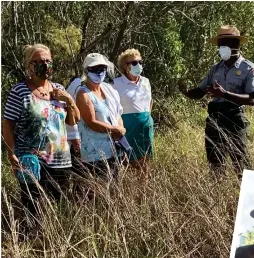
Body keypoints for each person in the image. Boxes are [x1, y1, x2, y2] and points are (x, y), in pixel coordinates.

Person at [2, 44, 80, 217]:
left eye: (48, 61)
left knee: (59, 208)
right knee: (33, 208)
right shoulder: (19, 91)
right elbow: (7, 123)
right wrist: (11, 153)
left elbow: (74, 120)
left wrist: (68, 100)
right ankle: (32, 240)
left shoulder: (58, 89)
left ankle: (54, 242)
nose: (44, 65)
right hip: (31, 160)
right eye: (39, 61)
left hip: (60, 160)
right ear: (29, 65)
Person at [179, 25, 254, 179]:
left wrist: (225, 94)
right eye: (220, 45)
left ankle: (248, 200)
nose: (221, 48)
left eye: (224, 44)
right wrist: (186, 92)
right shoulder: (215, 69)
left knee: (240, 163)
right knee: (215, 161)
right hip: (214, 119)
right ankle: (217, 197)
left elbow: (252, 98)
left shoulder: (248, 69)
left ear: (236, 45)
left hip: (234, 120)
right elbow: (201, 92)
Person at [74, 53, 125, 196]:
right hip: (94, 153)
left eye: (102, 68)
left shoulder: (108, 90)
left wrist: (120, 129)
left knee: (113, 190)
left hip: (114, 149)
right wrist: (115, 130)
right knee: (94, 193)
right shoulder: (83, 94)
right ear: (86, 71)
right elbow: (91, 122)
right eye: (95, 68)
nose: (100, 72)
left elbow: (118, 113)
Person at [113, 49, 154, 180]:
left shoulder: (146, 81)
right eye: (134, 62)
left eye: (140, 62)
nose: (139, 65)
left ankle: (144, 194)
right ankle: (129, 191)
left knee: (145, 163)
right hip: (128, 128)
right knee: (129, 162)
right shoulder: (116, 84)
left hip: (146, 128)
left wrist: (147, 118)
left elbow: (150, 101)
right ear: (126, 66)